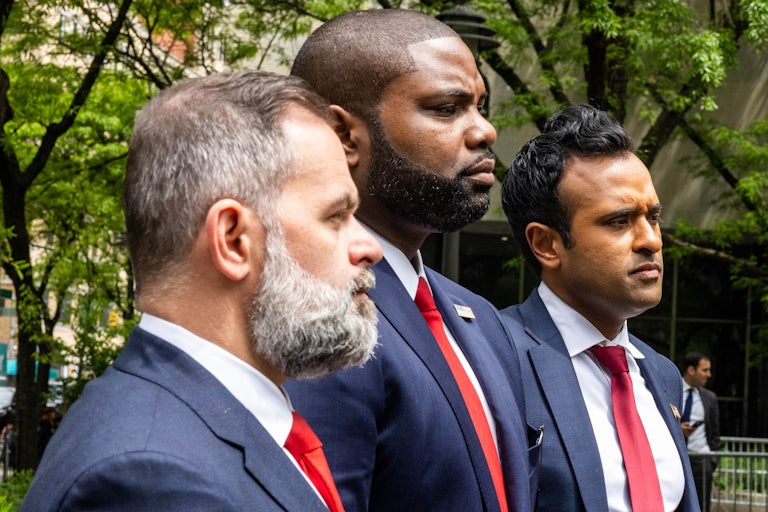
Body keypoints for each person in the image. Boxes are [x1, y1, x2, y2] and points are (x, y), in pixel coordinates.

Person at [21, 70, 383, 511]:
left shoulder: (197, 426)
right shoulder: (150, 478)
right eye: (336, 216)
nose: (369, 248)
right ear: (233, 240)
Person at [284, 8, 539, 512]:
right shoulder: (308, 314)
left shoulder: (480, 320)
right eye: (447, 108)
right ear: (342, 135)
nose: (484, 131)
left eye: (480, 106)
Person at [500, 104, 699, 512]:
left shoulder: (662, 374)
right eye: (619, 221)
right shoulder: (494, 358)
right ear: (546, 244)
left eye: (654, 217)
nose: (651, 241)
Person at [681, 352, 721, 511]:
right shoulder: (671, 391)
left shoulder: (710, 398)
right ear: (691, 370)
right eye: (705, 370)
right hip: (679, 458)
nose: (709, 375)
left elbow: (715, 434)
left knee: (701, 505)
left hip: (702, 461)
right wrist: (678, 430)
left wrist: (713, 461)